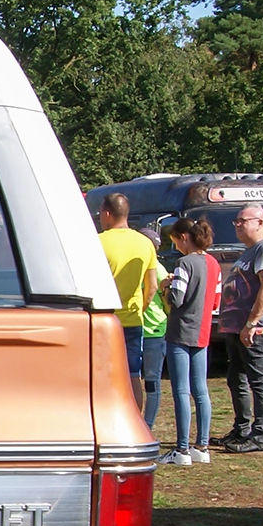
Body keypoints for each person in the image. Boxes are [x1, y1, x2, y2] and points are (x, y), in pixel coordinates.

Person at [213, 203, 263, 453]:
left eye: (243, 221)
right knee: (237, 378)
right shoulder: (250, 251)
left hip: (254, 329)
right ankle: (242, 429)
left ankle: (259, 435)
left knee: (257, 380)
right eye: (237, 221)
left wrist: (253, 322)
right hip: (238, 328)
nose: (238, 225)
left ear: (260, 223)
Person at [158, 217, 221, 466]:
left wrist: (166, 286)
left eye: (175, 241)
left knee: (181, 391)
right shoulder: (214, 264)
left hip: (181, 332)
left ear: (184, 237)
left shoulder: (184, 263)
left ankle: (182, 449)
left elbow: (177, 299)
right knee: (201, 390)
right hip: (203, 331)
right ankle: (202, 446)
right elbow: (216, 301)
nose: (176, 247)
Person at [97, 194, 159, 409]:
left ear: (107, 213)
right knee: (133, 376)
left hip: (103, 320)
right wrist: (140, 310)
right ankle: (136, 423)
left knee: (102, 377)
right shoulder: (145, 243)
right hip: (133, 321)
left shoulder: (98, 242)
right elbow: (152, 287)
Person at [137, 225, 169, 429]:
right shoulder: (140, 267)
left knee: (151, 382)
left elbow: (167, 304)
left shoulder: (158, 270)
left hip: (154, 332)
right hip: (136, 329)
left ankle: (147, 425)